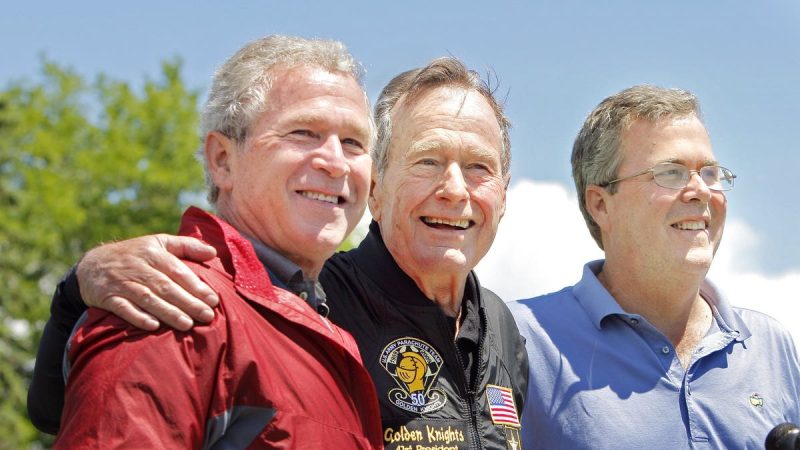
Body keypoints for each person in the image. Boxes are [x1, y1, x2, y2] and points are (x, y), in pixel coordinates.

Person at [29, 57, 529, 450]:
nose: (454, 190)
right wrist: (78, 290)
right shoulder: (303, 301)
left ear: (504, 195)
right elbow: (73, 408)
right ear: (377, 188)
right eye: (428, 161)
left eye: (479, 168)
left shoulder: (503, 328)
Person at [33, 35, 384, 448]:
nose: (336, 162)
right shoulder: (169, 303)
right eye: (303, 132)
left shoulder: (328, 319)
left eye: (353, 142)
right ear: (222, 160)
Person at [508, 85, 800, 449]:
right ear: (601, 205)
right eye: (671, 172)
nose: (701, 190)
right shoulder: (520, 337)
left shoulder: (769, 344)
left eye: (710, 172)